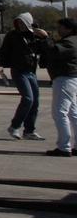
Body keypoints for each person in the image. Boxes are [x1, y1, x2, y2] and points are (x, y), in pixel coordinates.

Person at [0, 12, 47, 140]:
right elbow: (4, 50)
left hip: (31, 71)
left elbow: (46, 49)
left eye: (23, 23)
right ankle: (14, 126)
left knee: (35, 102)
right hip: (19, 70)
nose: (20, 25)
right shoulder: (12, 35)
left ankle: (29, 130)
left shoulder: (33, 35)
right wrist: (0, 64)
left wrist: (44, 37)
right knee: (28, 99)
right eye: (18, 22)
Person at [37, 16, 77, 157]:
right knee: (73, 113)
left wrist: (45, 37)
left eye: (60, 27)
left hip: (65, 79)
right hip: (71, 79)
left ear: (69, 28)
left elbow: (53, 51)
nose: (58, 30)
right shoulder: (72, 41)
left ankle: (64, 147)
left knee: (60, 112)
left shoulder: (70, 42)